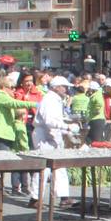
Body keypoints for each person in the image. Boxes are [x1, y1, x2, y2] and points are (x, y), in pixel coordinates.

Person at [30, 76, 79, 209]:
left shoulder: (56, 100)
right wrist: (67, 128)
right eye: (64, 86)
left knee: (60, 166)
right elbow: (49, 121)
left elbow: (56, 121)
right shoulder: (49, 100)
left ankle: (64, 197)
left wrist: (66, 132)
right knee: (43, 168)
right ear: (56, 87)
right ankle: (35, 198)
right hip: (44, 136)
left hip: (52, 135)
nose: (66, 89)